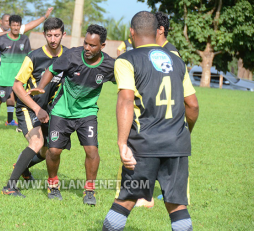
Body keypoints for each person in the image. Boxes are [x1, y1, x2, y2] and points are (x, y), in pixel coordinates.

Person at [102, 11, 199, 231]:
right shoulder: (177, 60)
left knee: (125, 201)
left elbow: (126, 101)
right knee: (177, 206)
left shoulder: (127, 59)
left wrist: (121, 143)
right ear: (157, 32)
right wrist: (184, 134)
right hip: (176, 145)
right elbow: (192, 106)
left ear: (132, 32)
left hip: (143, 145)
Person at [29, 24, 115, 206]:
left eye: (92, 45)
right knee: (53, 150)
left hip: (87, 112)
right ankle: (53, 185)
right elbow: (51, 69)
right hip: (62, 110)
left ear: (103, 46)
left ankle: (89, 191)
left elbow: (125, 81)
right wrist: (41, 87)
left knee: (92, 150)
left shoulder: (109, 64)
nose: (87, 48)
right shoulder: (72, 56)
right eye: (85, 43)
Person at [1, 17, 67, 196]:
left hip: (50, 111)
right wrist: (37, 109)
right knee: (36, 142)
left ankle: (23, 167)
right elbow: (17, 86)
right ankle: (9, 187)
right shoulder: (34, 56)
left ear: (63, 35)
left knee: (48, 150)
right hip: (28, 108)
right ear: (44, 35)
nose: (53, 39)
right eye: (49, 35)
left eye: (56, 35)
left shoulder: (68, 56)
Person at [134, 11, 182, 208]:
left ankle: (147, 197)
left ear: (160, 30)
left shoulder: (170, 55)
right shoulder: (151, 52)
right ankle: (147, 194)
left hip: (162, 117)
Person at [0, 15, 31, 131]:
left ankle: (21, 127)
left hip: (20, 78)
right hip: (5, 78)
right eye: (14, 25)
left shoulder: (25, 39)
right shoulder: (2, 39)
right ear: (10, 26)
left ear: (20, 26)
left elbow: (29, 57)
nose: (16, 28)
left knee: (22, 102)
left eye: (18, 25)